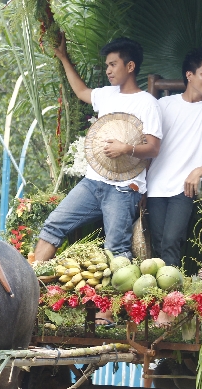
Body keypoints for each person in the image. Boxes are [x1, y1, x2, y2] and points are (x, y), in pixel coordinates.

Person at [33, 35, 162, 262]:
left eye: (113, 65)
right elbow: (81, 91)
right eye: (107, 66)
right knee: (53, 226)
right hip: (92, 182)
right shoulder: (106, 94)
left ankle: (117, 298)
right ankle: (30, 284)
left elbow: (153, 148)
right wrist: (63, 57)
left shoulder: (147, 103)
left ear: (130, 66)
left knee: (116, 248)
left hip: (124, 188)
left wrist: (126, 148)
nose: (108, 70)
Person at [146, 48, 202, 267]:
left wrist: (198, 171)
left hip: (184, 188)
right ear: (189, 75)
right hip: (154, 186)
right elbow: (147, 145)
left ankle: (172, 297)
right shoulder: (163, 106)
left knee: (171, 241)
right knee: (156, 244)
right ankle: (159, 297)